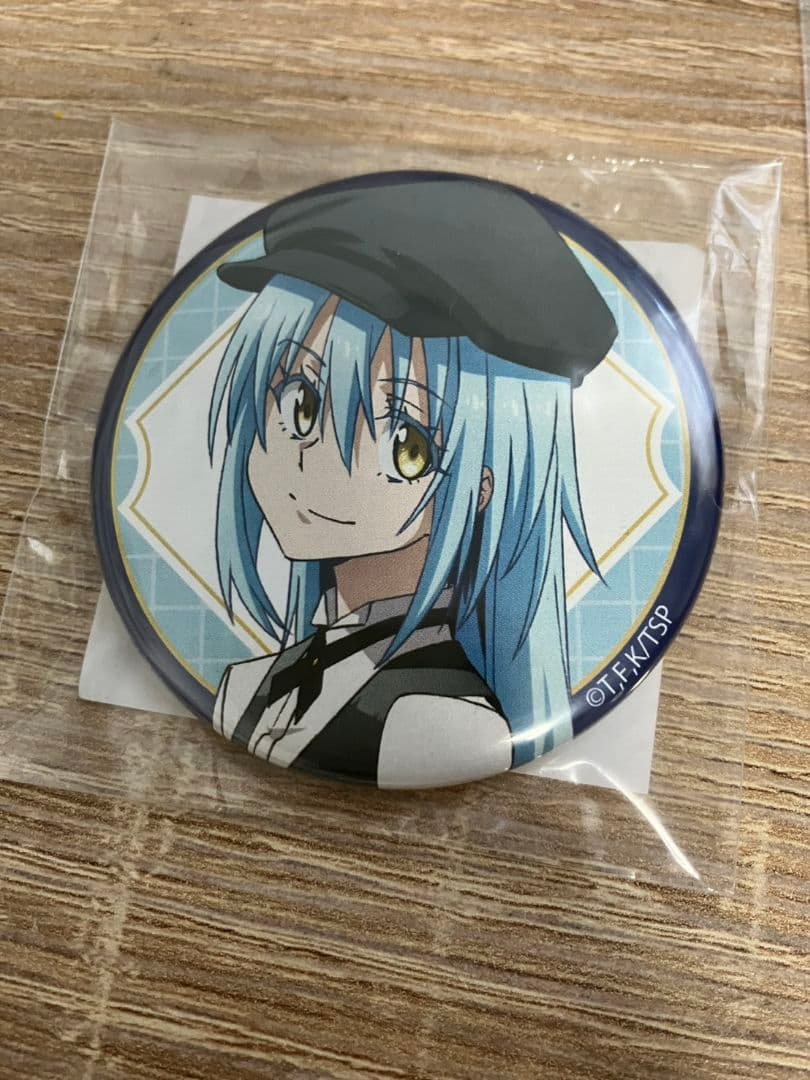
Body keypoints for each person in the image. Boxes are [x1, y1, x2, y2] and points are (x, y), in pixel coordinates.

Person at [208, 175, 616, 788]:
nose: (317, 462)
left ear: (483, 485)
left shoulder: (437, 717)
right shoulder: (250, 683)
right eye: (300, 405)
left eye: (406, 444)